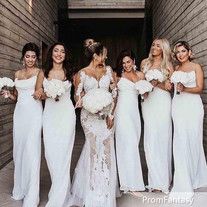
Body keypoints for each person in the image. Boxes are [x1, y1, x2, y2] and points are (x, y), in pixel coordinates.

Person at [69, 39, 117, 207]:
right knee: (94, 151)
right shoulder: (82, 73)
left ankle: (105, 192)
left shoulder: (109, 70)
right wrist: (85, 103)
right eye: (103, 54)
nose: (106, 56)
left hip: (106, 115)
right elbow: (77, 94)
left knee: (106, 150)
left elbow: (115, 92)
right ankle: (92, 190)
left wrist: (111, 114)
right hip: (88, 117)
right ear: (96, 55)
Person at [34, 42, 76, 207]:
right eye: (56, 51)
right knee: (51, 155)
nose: (59, 54)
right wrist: (47, 93)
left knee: (64, 155)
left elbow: (80, 91)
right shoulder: (43, 72)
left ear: (65, 55)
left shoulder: (70, 72)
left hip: (66, 115)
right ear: (51, 53)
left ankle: (59, 197)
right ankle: (61, 189)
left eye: (62, 51)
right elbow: (38, 94)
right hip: (50, 116)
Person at [1, 42, 42, 207]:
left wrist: (43, 93)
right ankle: (20, 188)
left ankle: (32, 195)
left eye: (33, 56)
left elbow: (40, 93)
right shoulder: (17, 73)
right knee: (20, 150)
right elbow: (17, 97)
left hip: (34, 114)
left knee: (32, 150)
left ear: (36, 58)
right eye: (28, 56)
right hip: (20, 114)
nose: (30, 59)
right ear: (23, 57)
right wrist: (8, 94)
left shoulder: (39, 72)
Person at [169, 41, 207, 199]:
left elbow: (200, 88)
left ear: (189, 52)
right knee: (180, 141)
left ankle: (195, 177)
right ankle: (182, 179)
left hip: (193, 107)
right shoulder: (176, 69)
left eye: (183, 51)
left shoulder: (196, 66)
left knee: (193, 140)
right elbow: (173, 88)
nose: (180, 54)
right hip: (178, 106)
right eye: (178, 52)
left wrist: (185, 89)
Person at [140, 38, 173, 193]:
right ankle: (154, 181)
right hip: (148, 102)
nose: (154, 47)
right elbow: (140, 83)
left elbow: (170, 88)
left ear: (163, 49)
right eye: (153, 44)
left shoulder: (168, 65)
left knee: (162, 138)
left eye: (158, 45)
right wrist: (144, 88)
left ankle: (163, 180)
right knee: (150, 138)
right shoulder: (144, 63)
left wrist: (156, 82)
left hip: (162, 102)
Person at [114, 49, 145, 196]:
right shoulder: (117, 75)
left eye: (128, 61)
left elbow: (144, 95)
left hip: (134, 113)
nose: (126, 65)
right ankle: (127, 182)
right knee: (124, 144)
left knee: (133, 143)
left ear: (133, 61)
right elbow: (113, 95)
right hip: (122, 112)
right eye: (123, 62)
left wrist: (146, 89)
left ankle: (134, 180)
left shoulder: (140, 75)